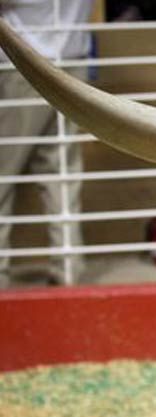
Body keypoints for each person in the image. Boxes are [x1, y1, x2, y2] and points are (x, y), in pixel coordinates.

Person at [1, 0, 94, 288]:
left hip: (24, 65)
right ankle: (69, 268)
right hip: (71, 59)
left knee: (4, 170)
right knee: (61, 170)